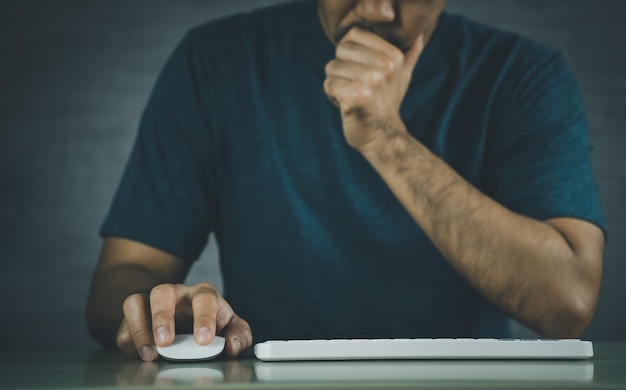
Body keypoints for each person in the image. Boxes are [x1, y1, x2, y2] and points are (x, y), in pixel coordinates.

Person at [86, 0, 606, 362]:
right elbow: (125, 271)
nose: (378, 10)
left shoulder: (523, 74)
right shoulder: (215, 62)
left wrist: (385, 139)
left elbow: (567, 303)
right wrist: (153, 312)